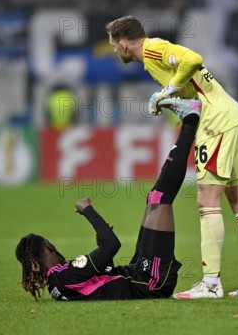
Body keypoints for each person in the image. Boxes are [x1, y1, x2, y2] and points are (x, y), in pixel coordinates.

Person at [105, 16, 238, 299]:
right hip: (234, 116)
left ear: (122, 42)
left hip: (216, 121)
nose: (114, 52)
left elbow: (192, 58)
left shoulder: (152, 48)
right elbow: (191, 92)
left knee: (207, 201)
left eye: (113, 46)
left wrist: (168, 90)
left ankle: (211, 284)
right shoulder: (153, 59)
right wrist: (171, 103)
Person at [15, 97, 201, 301]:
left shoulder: (58, 284)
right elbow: (113, 244)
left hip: (139, 277)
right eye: (51, 245)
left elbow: (106, 273)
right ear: (48, 248)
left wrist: (101, 240)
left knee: (153, 199)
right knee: (159, 198)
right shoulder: (64, 274)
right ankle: (191, 120)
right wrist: (88, 211)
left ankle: (189, 121)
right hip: (148, 282)